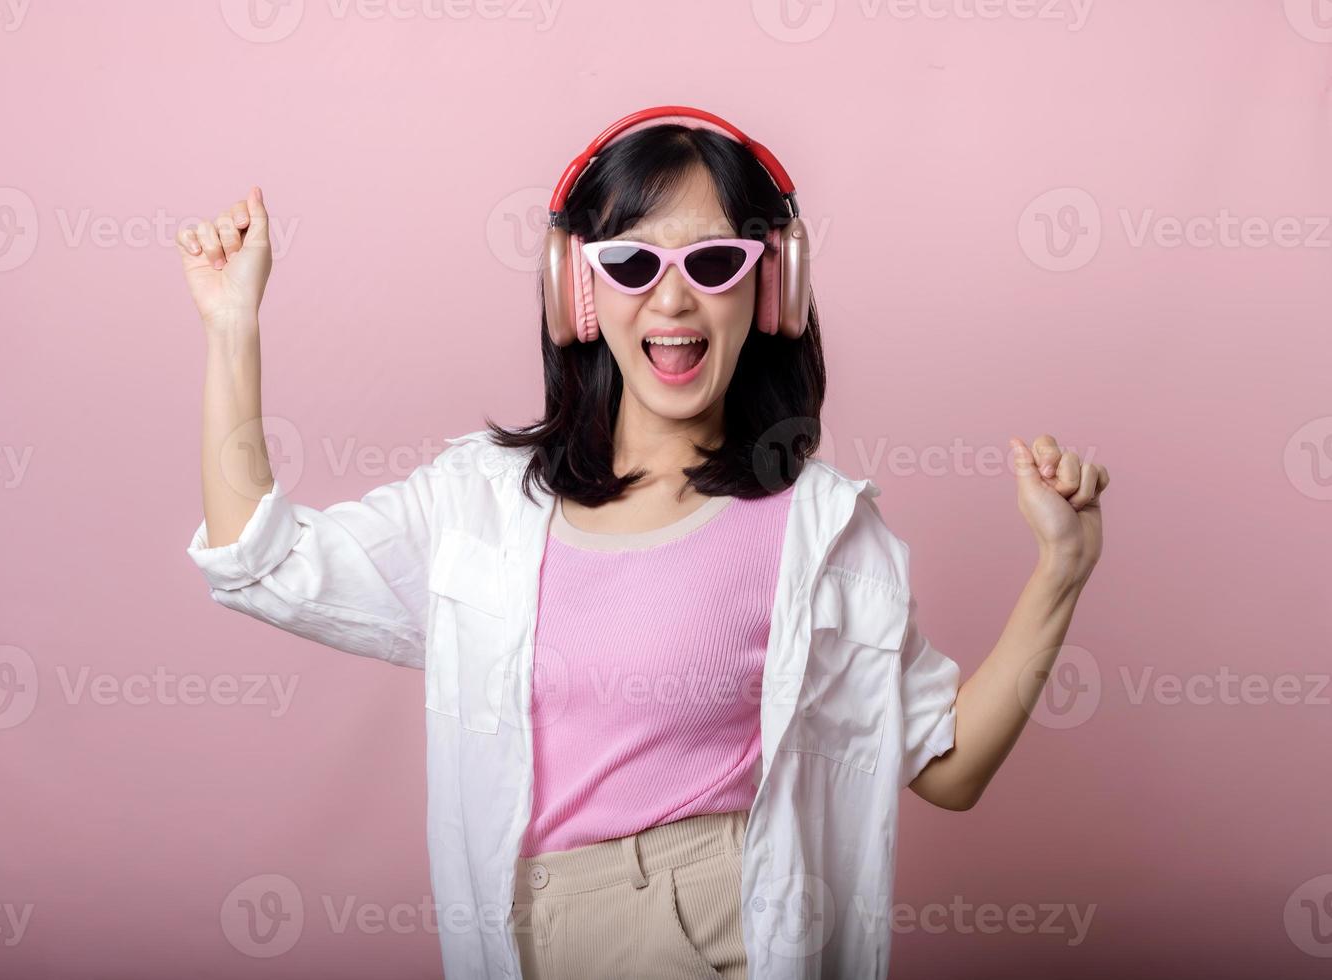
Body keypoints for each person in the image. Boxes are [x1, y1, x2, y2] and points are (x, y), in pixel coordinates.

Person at [176, 107, 1110, 980]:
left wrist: (1061, 571)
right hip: (529, 932)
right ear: (576, 290)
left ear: (772, 287)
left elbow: (944, 768)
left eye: (714, 264)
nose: (673, 301)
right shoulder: (478, 507)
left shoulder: (818, 529)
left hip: (723, 928)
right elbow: (263, 562)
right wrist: (231, 331)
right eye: (631, 264)